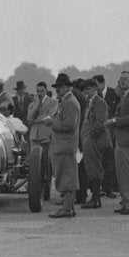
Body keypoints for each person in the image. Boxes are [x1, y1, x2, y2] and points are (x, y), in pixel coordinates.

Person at [106, 70, 129, 214]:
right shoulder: (125, 96)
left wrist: (114, 121)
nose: (122, 81)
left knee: (127, 172)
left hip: (126, 139)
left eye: (125, 79)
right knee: (122, 173)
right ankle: (127, 202)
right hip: (121, 138)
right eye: (120, 79)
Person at [45, 73, 80, 218]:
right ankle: (69, 208)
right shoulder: (65, 101)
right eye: (57, 87)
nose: (58, 89)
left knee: (67, 178)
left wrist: (52, 122)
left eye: (60, 87)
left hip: (65, 146)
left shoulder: (70, 102)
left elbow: (69, 125)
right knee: (66, 177)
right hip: (63, 145)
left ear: (67, 87)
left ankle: (66, 209)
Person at [79, 79, 111, 208]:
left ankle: (96, 199)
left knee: (95, 169)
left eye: (89, 89)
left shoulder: (99, 102)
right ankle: (95, 197)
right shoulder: (90, 103)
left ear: (95, 88)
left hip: (93, 141)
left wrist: (90, 137)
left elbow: (100, 122)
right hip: (88, 140)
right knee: (91, 169)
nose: (86, 92)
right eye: (85, 89)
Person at [27, 81, 56, 191]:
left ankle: (46, 187)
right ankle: (35, 187)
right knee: (34, 163)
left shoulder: (52, 102)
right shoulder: (32, 103)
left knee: (46, 162)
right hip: (34, 136)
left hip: (46, 135)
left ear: (46, 91)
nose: (40, 93)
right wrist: (38, 104)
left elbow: (49, 116)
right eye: (38, 91)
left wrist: (35, 120)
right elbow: (29, 118)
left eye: (42, 91)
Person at [95, 74, 121, 196]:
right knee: (101, 160)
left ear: (102, 83)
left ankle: (110, 187)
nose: (95, 88)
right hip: (101, 132)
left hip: (114, 131)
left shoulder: (114, 93)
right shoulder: (95, 96)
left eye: (96, 85)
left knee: (111, 161)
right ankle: (102, 187)